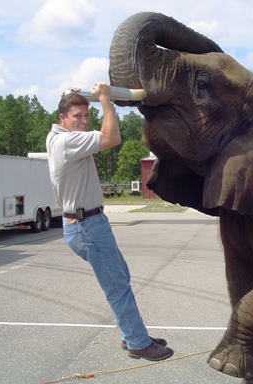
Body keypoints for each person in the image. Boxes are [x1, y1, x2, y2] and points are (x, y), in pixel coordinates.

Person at [46, 82, 173, 362]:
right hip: (86, 226)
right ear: (62, 119)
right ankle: (138, 342)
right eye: (76, 116)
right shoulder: (68, 141)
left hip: (88, 223)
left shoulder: (57, 137)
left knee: (120, 279)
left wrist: (69, 96)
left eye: (85, 116)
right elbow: (112, 137)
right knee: (117, 285)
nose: (82, 121)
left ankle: (133, 334)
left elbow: (85, 124)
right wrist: (106, 101)